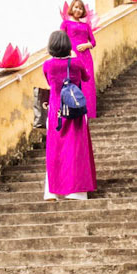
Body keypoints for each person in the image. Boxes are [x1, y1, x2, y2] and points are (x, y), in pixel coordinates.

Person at [43, 30, 97, 199]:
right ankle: (77, 191)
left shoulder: (47, 65)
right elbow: (86, 77)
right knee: (76, 148)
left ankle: (54, 191)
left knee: (56, 151)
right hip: (75, 110)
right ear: (67, 45)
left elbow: (50, 83)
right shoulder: (76, 63)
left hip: (56, 111)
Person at [61, 0, 97, 117]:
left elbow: (93, 42)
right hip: (72, 56)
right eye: (76, 7)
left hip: (86, 56)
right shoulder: (65, 24)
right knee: (74, 81)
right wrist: (70, 50)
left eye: (81, 8)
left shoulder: (86, 25)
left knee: (87, 82)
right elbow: (62, 39)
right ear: (71, 8)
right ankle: (76, 111)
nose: (78, 10)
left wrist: (86, 45)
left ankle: (89, 111)